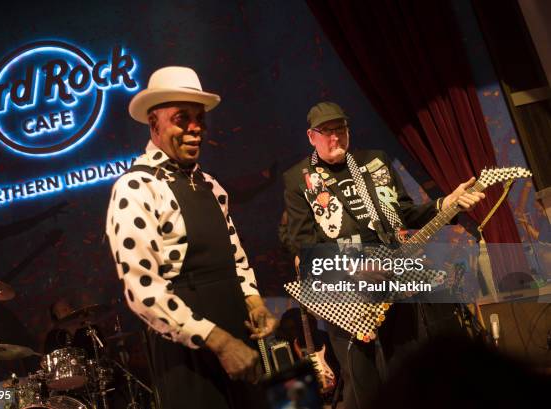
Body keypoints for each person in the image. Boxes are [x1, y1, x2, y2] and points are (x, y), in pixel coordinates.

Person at [282, 102, 485, 408]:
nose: (335, 138)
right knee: (360, 377)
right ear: (312, 137)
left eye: (341, 129)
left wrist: (445, 204)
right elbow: (300, 243)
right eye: (327, 132)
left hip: (393, 274)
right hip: (345, 287)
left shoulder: (375, 161)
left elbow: (404, 213)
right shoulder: (298, 178)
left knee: (406, 365)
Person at [105, 66, 277, 409]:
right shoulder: (134, 188)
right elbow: (143, 292)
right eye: (182, 118)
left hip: (238, 339)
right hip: (189, 354)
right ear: (154, 124)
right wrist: (219, 342)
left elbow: (235, 256)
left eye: (199, 118)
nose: (195, 127)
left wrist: (253, 300)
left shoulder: (212, 186)